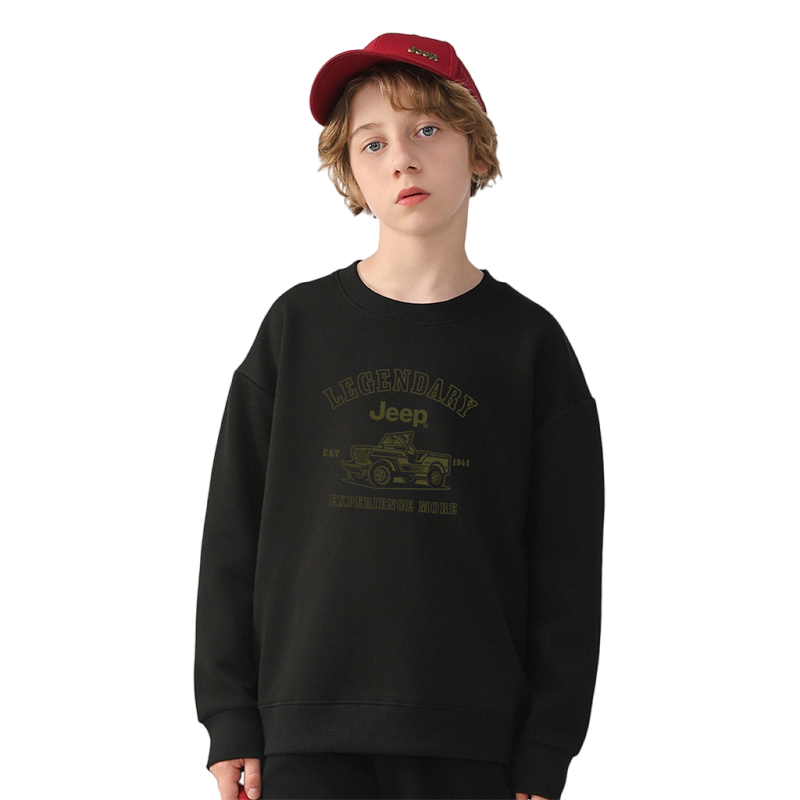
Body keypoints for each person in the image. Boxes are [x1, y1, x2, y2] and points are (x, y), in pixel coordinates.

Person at [194, 32, 605, 800]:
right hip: (302, 732)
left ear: (476, 149)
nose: (402, 160)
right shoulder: (296, 329)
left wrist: (547, 744)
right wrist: (229, 714)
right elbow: (231, 535)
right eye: (372, 142)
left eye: (427, 129)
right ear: (350, 172)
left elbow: (568, 566)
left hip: (473, 742)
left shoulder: (531, 347)